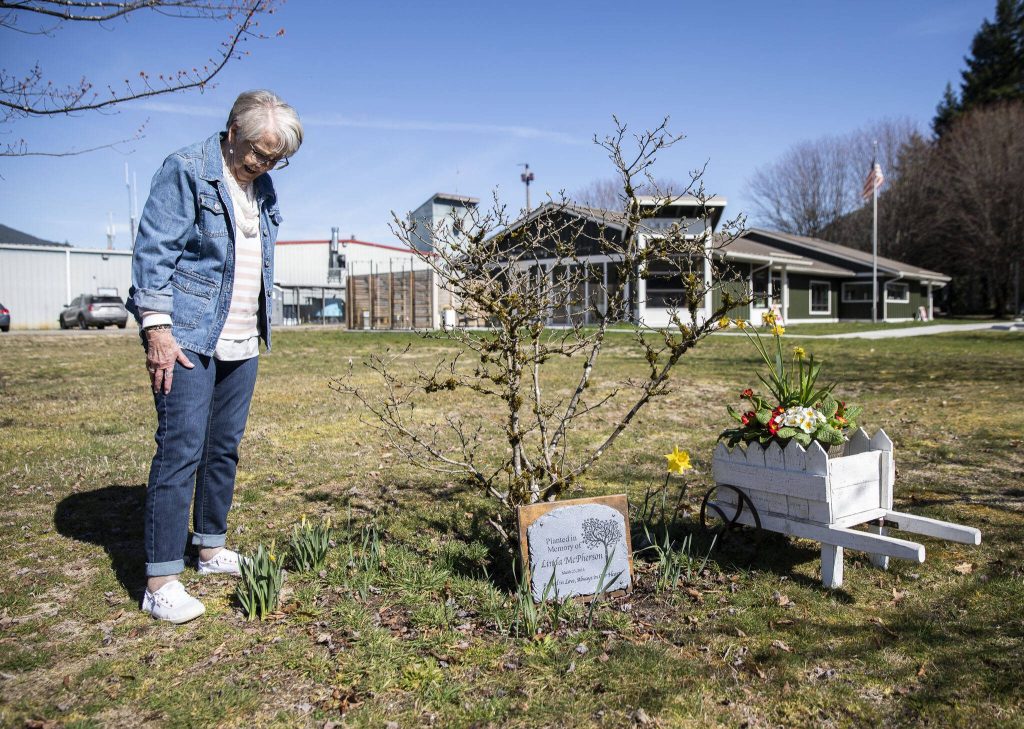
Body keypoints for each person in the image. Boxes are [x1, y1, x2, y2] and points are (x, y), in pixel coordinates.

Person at [128, 90, 303, 623]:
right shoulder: (185, 171)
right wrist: (157, 329)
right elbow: (153, 250)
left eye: (276, 158)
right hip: (186, 335)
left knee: (223, 447)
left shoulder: (263, 187)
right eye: (258, 152)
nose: (264, 164)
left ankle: (209, 546)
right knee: (180, 448)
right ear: (231, 131)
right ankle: (160, 579)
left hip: (242, 337)